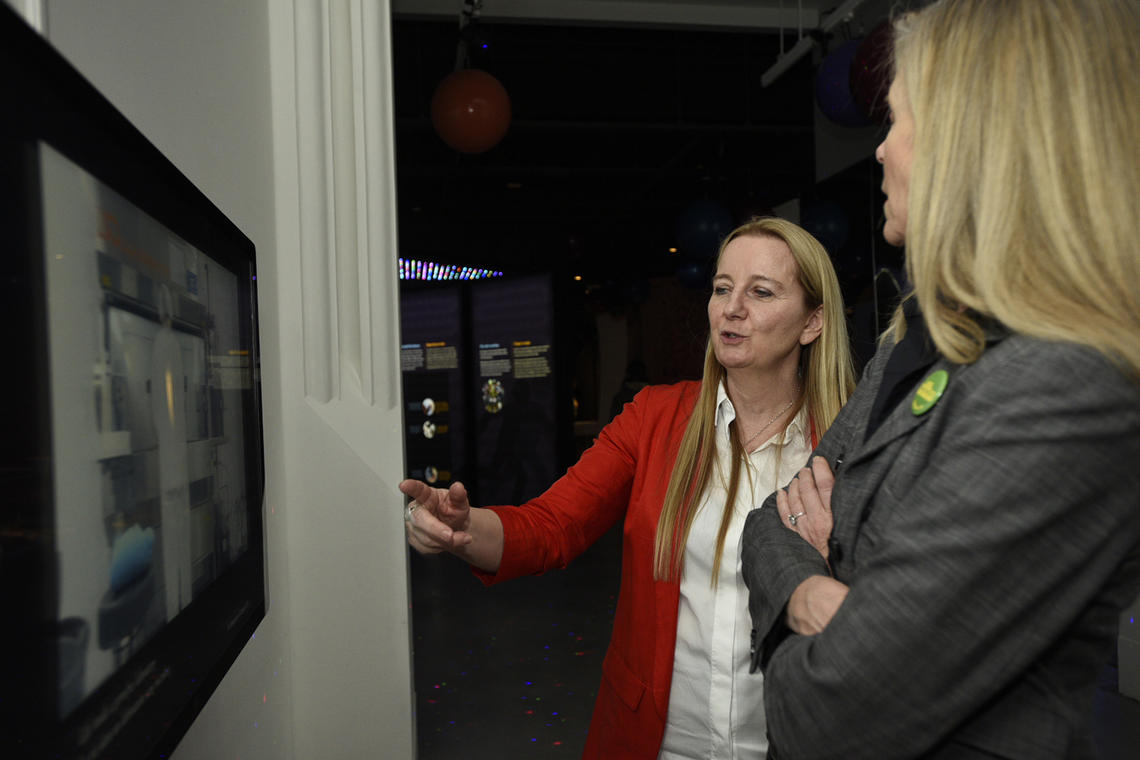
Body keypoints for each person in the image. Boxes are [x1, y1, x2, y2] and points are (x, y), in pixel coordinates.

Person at [740, 1, 1140, 758]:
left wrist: (822, 569)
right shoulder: (916, 340)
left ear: (974, 143)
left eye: (895, 121)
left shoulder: (1067, 387)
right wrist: (811, 590)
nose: (882, 151)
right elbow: (768, 524)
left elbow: (834, 714)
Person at [402, 217, 856, 759]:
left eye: (760, 292)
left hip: (799, 741)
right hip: (660, 743)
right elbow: (553, 527)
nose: (732, 308)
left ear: (812, 322)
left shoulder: (852, 443)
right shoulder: (655, 419)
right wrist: (462, 529)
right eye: (721, 288)